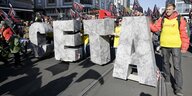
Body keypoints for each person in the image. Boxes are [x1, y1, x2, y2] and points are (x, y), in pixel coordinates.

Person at [150, 3, 189, 96]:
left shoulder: (180, 19)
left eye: (170, 9)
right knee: (165, 63)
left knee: (177, 67)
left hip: (175, 46)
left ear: (174, 10)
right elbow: (156, 28)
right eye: (167, 9)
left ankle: (178, 88)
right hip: (164, 46)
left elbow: (184, 33)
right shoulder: (162, 19)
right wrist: (147, 24)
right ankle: (167, 78)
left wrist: (184, 46)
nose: (168, 11)